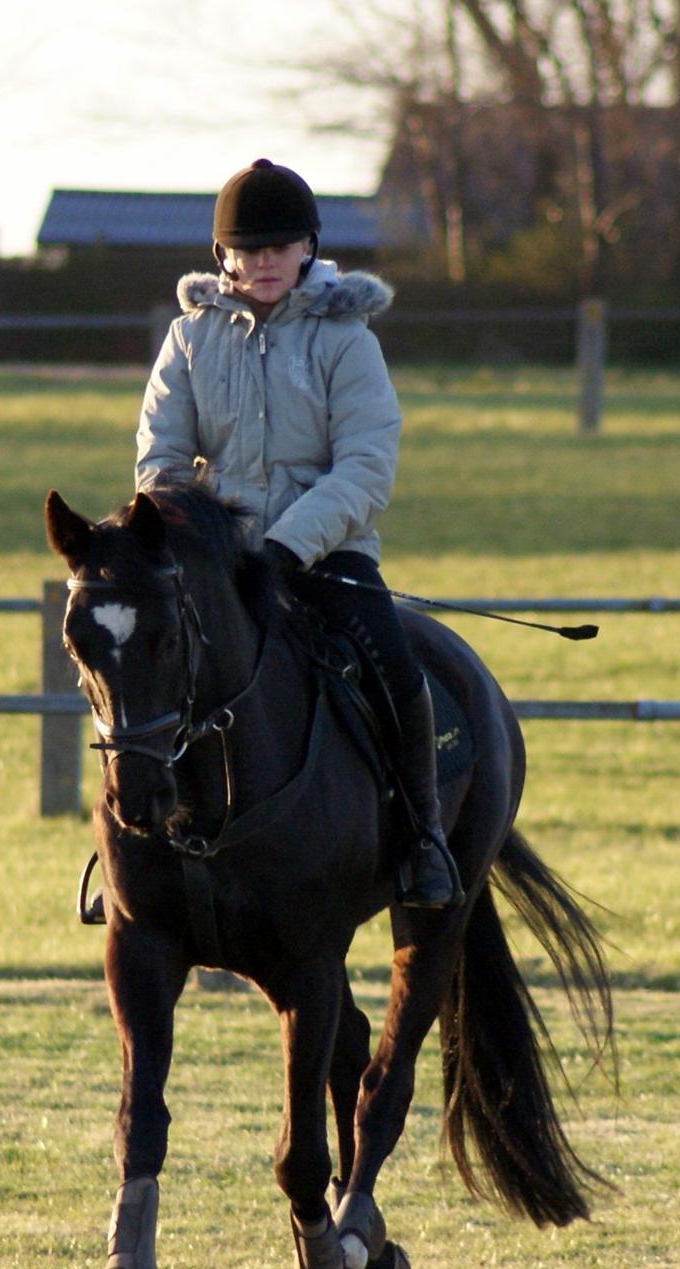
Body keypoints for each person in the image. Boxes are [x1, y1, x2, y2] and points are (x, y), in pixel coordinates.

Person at [133, 157, 462, 910]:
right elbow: (160, 461)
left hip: (327, 555)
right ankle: (130, 846)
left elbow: (367, 469)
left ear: (308, 248)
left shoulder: (349, 342)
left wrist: (283, 549)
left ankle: (423, 837)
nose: (263, 262)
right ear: (223, 257)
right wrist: (209, 546)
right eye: (247, 250)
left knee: (394, 674)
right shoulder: (188, 340)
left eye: (279, 247)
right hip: (217, 565)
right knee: (143, 673)